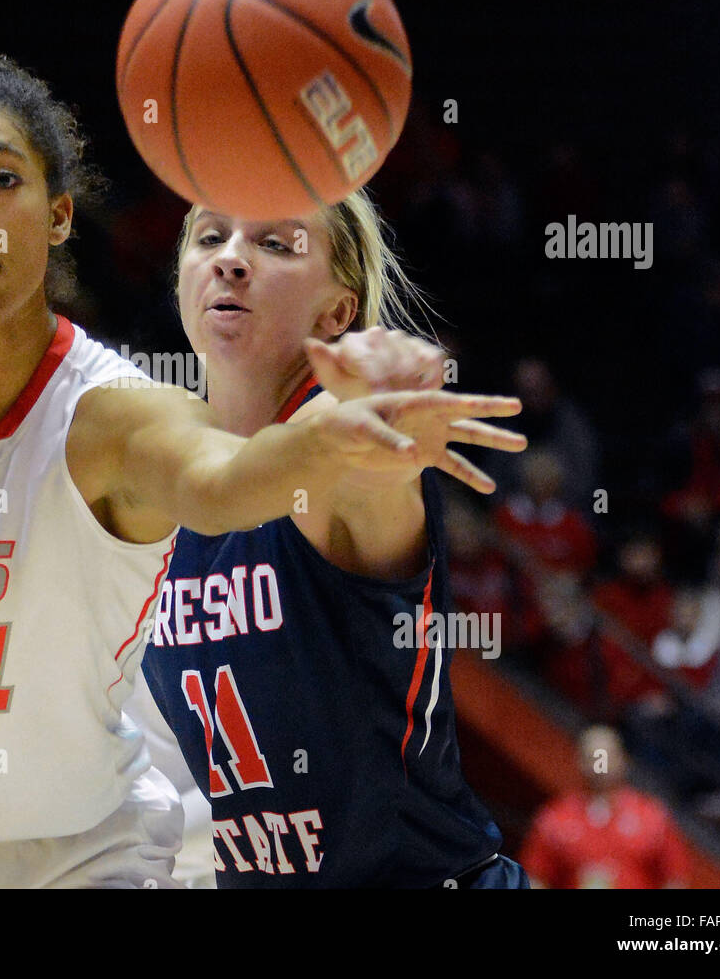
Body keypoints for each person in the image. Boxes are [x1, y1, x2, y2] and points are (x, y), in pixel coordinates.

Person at [0, 50, 522, 888]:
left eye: (1, 180)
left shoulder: (130, 425)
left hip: (100, 860)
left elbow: (233, 482)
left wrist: (346, 427)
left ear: (60, 214)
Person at [138, 194, 531, 887]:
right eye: (208, 239)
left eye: (275, 245)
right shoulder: (159, 481)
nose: (229, 260)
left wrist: (376, 416)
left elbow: (365, 472)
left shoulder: (333, 455)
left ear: (338, 312)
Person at [519, 725, 689, 889]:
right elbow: (536, 877)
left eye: (607, 756)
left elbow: (675, 877)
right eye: (593, 758)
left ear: (623, 759)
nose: (600, 765)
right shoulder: (554, 818)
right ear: (580, 761)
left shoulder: (652, 816)